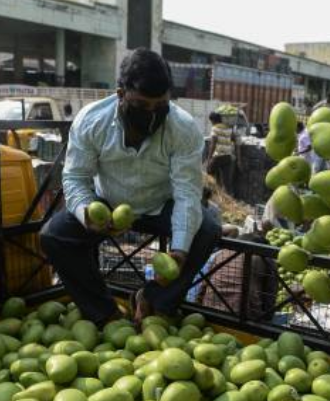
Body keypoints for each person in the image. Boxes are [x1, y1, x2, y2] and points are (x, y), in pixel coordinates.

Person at [40, 48, 221, 326]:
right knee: (54, 236)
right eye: (142, 105)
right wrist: (86, 212)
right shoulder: (91, 121)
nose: (151, 115)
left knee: (207, 229)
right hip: (108, 202)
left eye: (160, 107)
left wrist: (180, 250)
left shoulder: (183, 128)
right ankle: (105, 313)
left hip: (161, 203)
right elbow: (76, 178)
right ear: (121, 94)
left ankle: (153, 299)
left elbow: (187, 192)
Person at [199, 232, 278, 319]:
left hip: (208, 311)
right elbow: (270, 299)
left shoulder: (220, 254)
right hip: (246, 319)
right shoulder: (266, 259)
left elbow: (203, 286)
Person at [206, 111, 241, 193]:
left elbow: (213, 144)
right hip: (228, 157)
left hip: (217, 156)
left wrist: (209, 158)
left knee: (208, 172)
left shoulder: (215, 128)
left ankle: (210, 193)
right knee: (226, 182)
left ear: (213, 120)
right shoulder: (229, 128)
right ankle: (228, 200)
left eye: (211, 121)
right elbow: (234, 140)